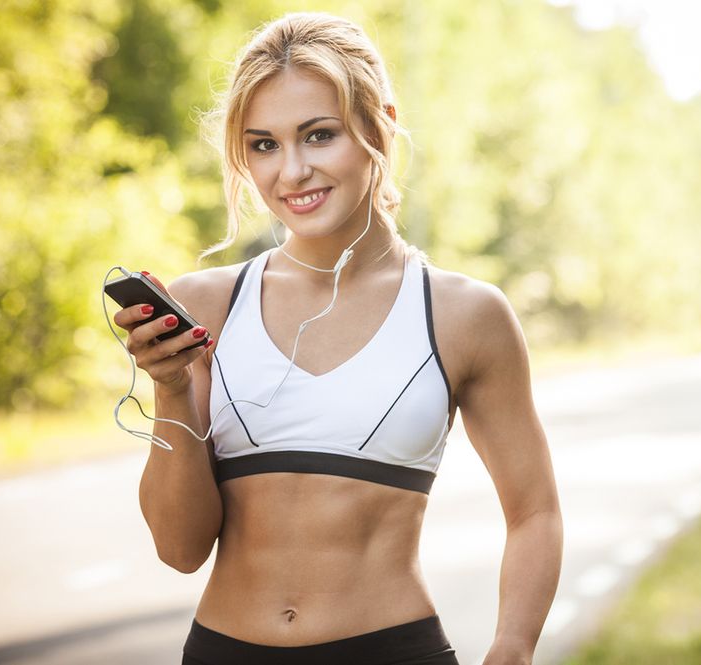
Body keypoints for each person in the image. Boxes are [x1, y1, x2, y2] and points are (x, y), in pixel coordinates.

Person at [110, 11, 563, 665]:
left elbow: (535, 513)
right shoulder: (206, 304)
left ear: (378, 122)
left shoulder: (465, 316)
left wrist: (512, 646)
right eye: (263, 144)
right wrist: (172, 386)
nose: (291, 170)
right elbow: (180, 550)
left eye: (318, 135)